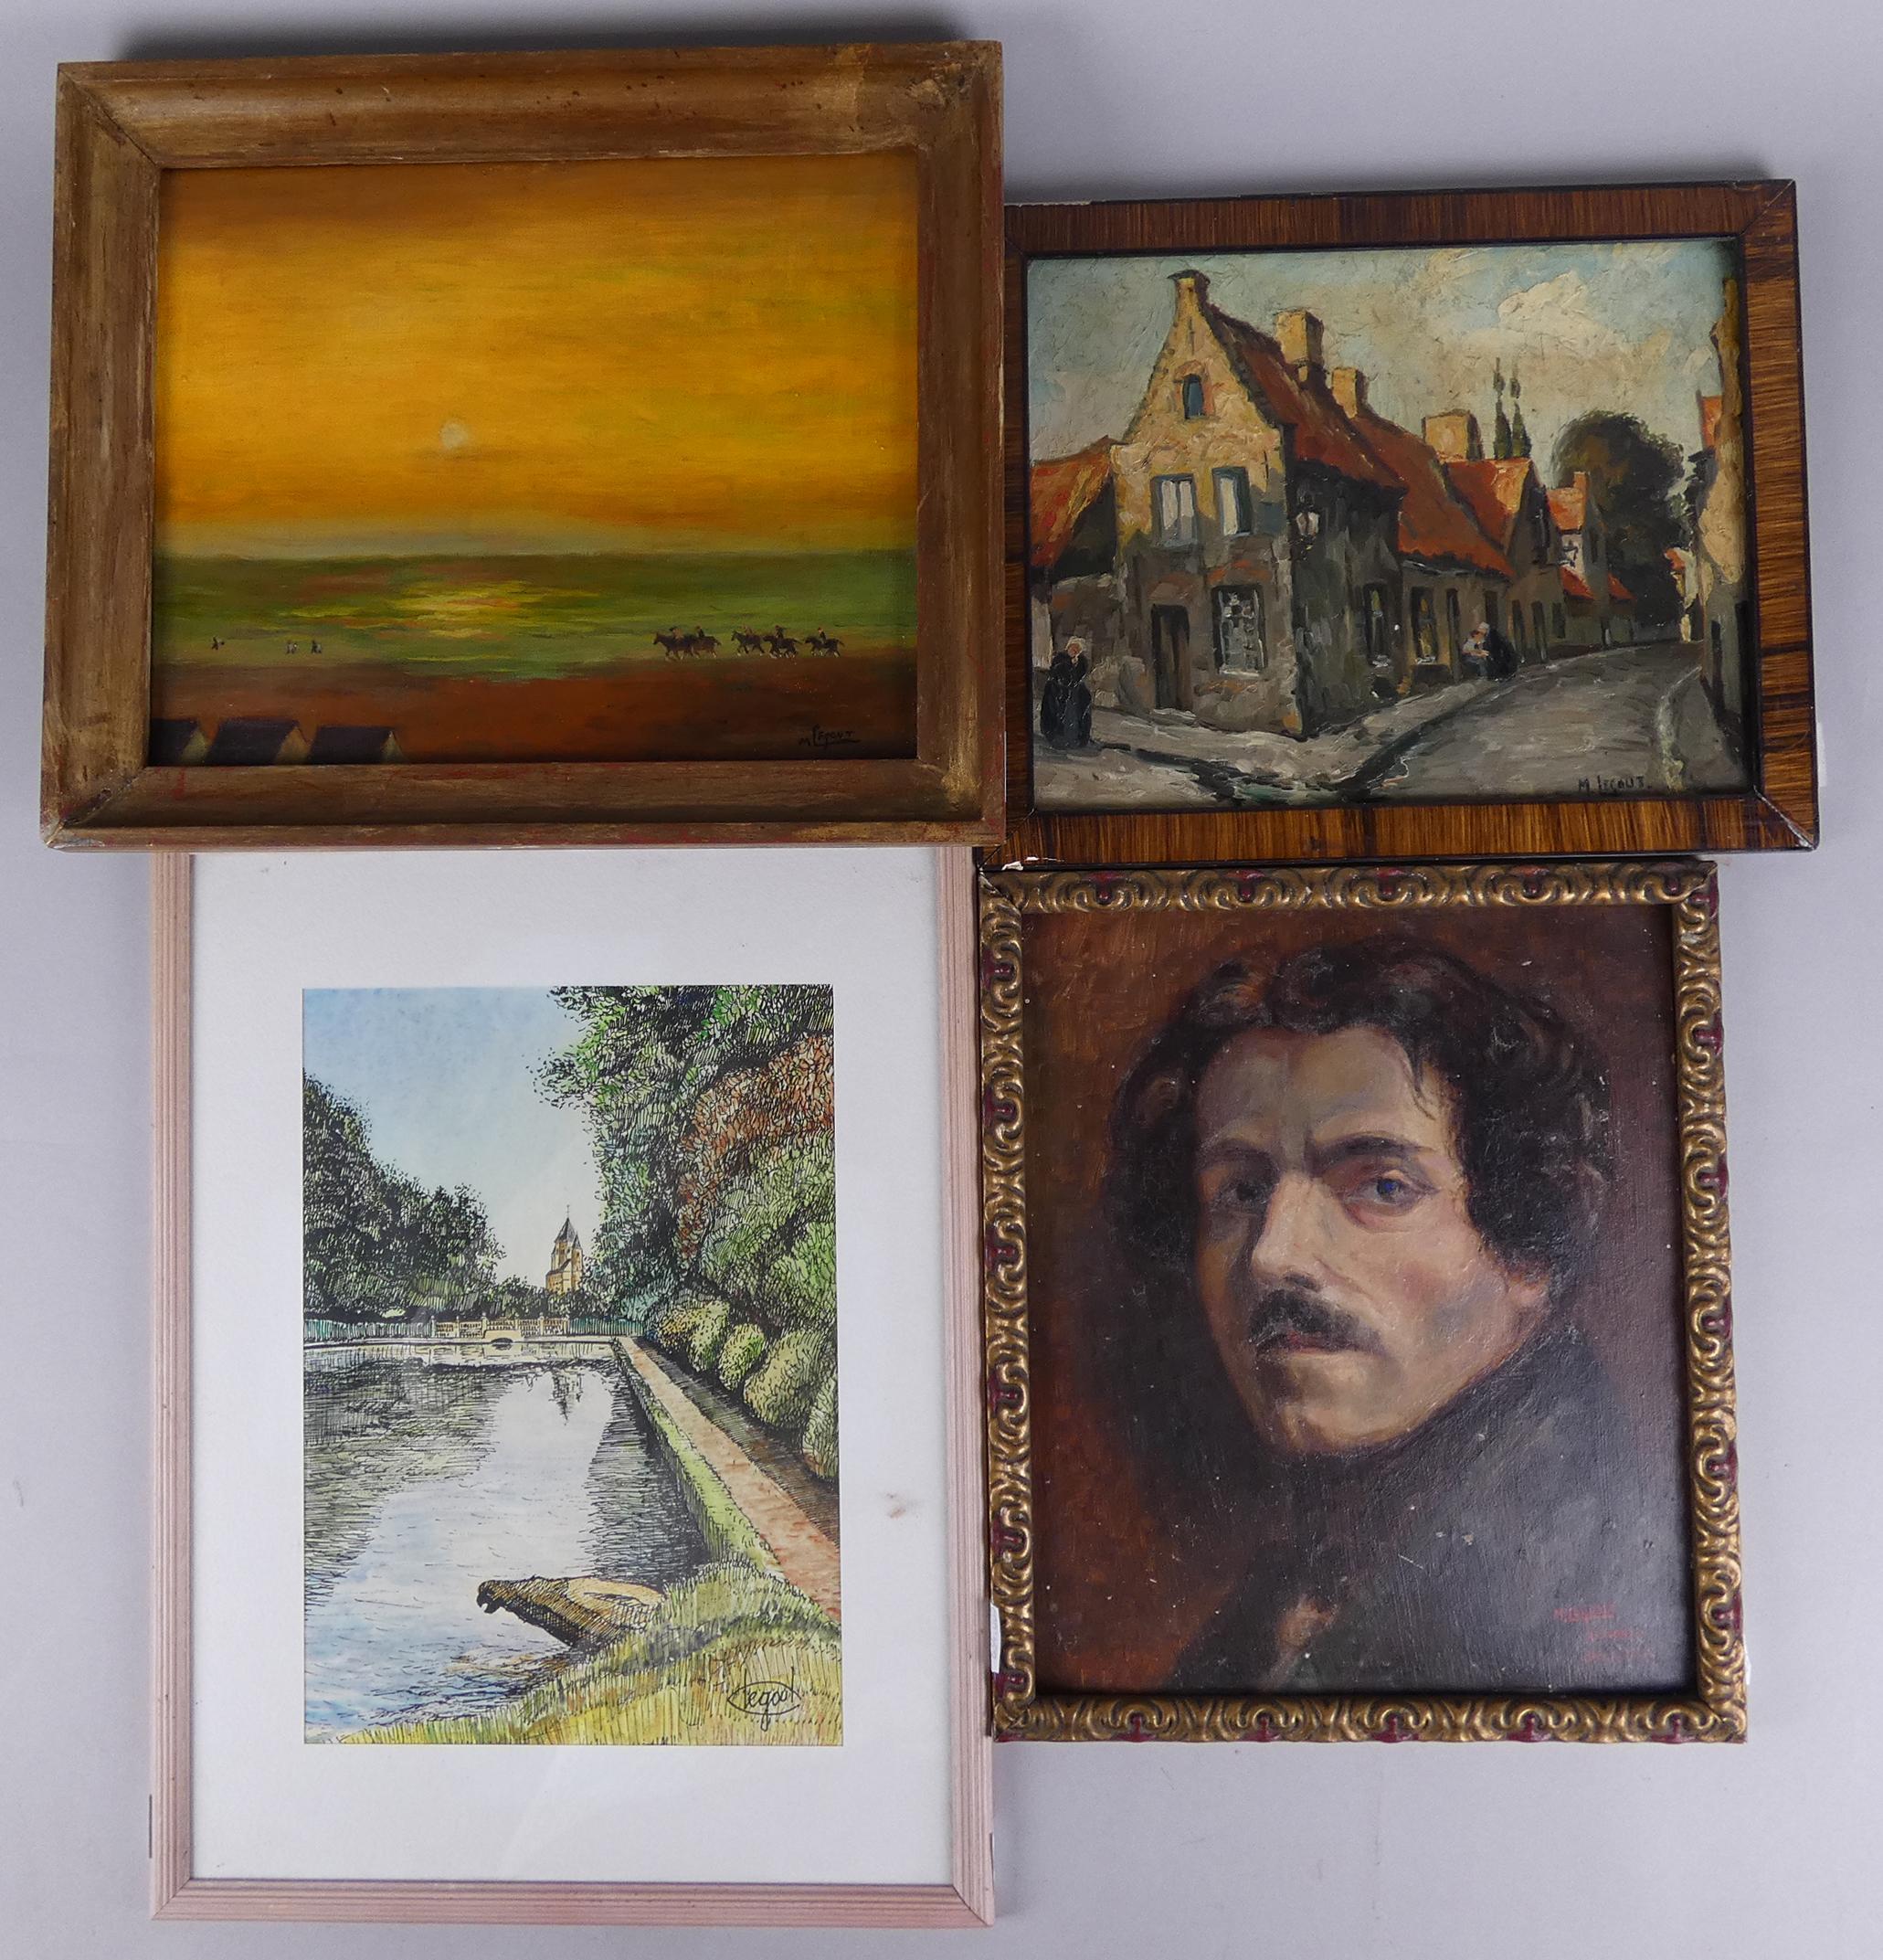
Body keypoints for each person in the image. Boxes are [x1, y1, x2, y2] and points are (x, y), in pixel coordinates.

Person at [1098, 938, 1683, 1694]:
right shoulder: (1284, 1596)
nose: (1272, 1255)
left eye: (1380, 1186)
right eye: (1240, 1191)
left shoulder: (1588, 1577)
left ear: (1528, 1250)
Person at [1038, 638, 1093, 750]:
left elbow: (1080, 676)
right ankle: (1054, 735)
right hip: (1056, 688)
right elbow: (1055, 672)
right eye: (1073, 648)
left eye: (1077, 649)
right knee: (1056, 708)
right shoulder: (1060, 658)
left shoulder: (1081, 661)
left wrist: (1075, 666)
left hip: (1073, 689)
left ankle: (1077, 736)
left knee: (1082, 701)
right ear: (1068, 647)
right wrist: (1069, 664)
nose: (1074, 651)